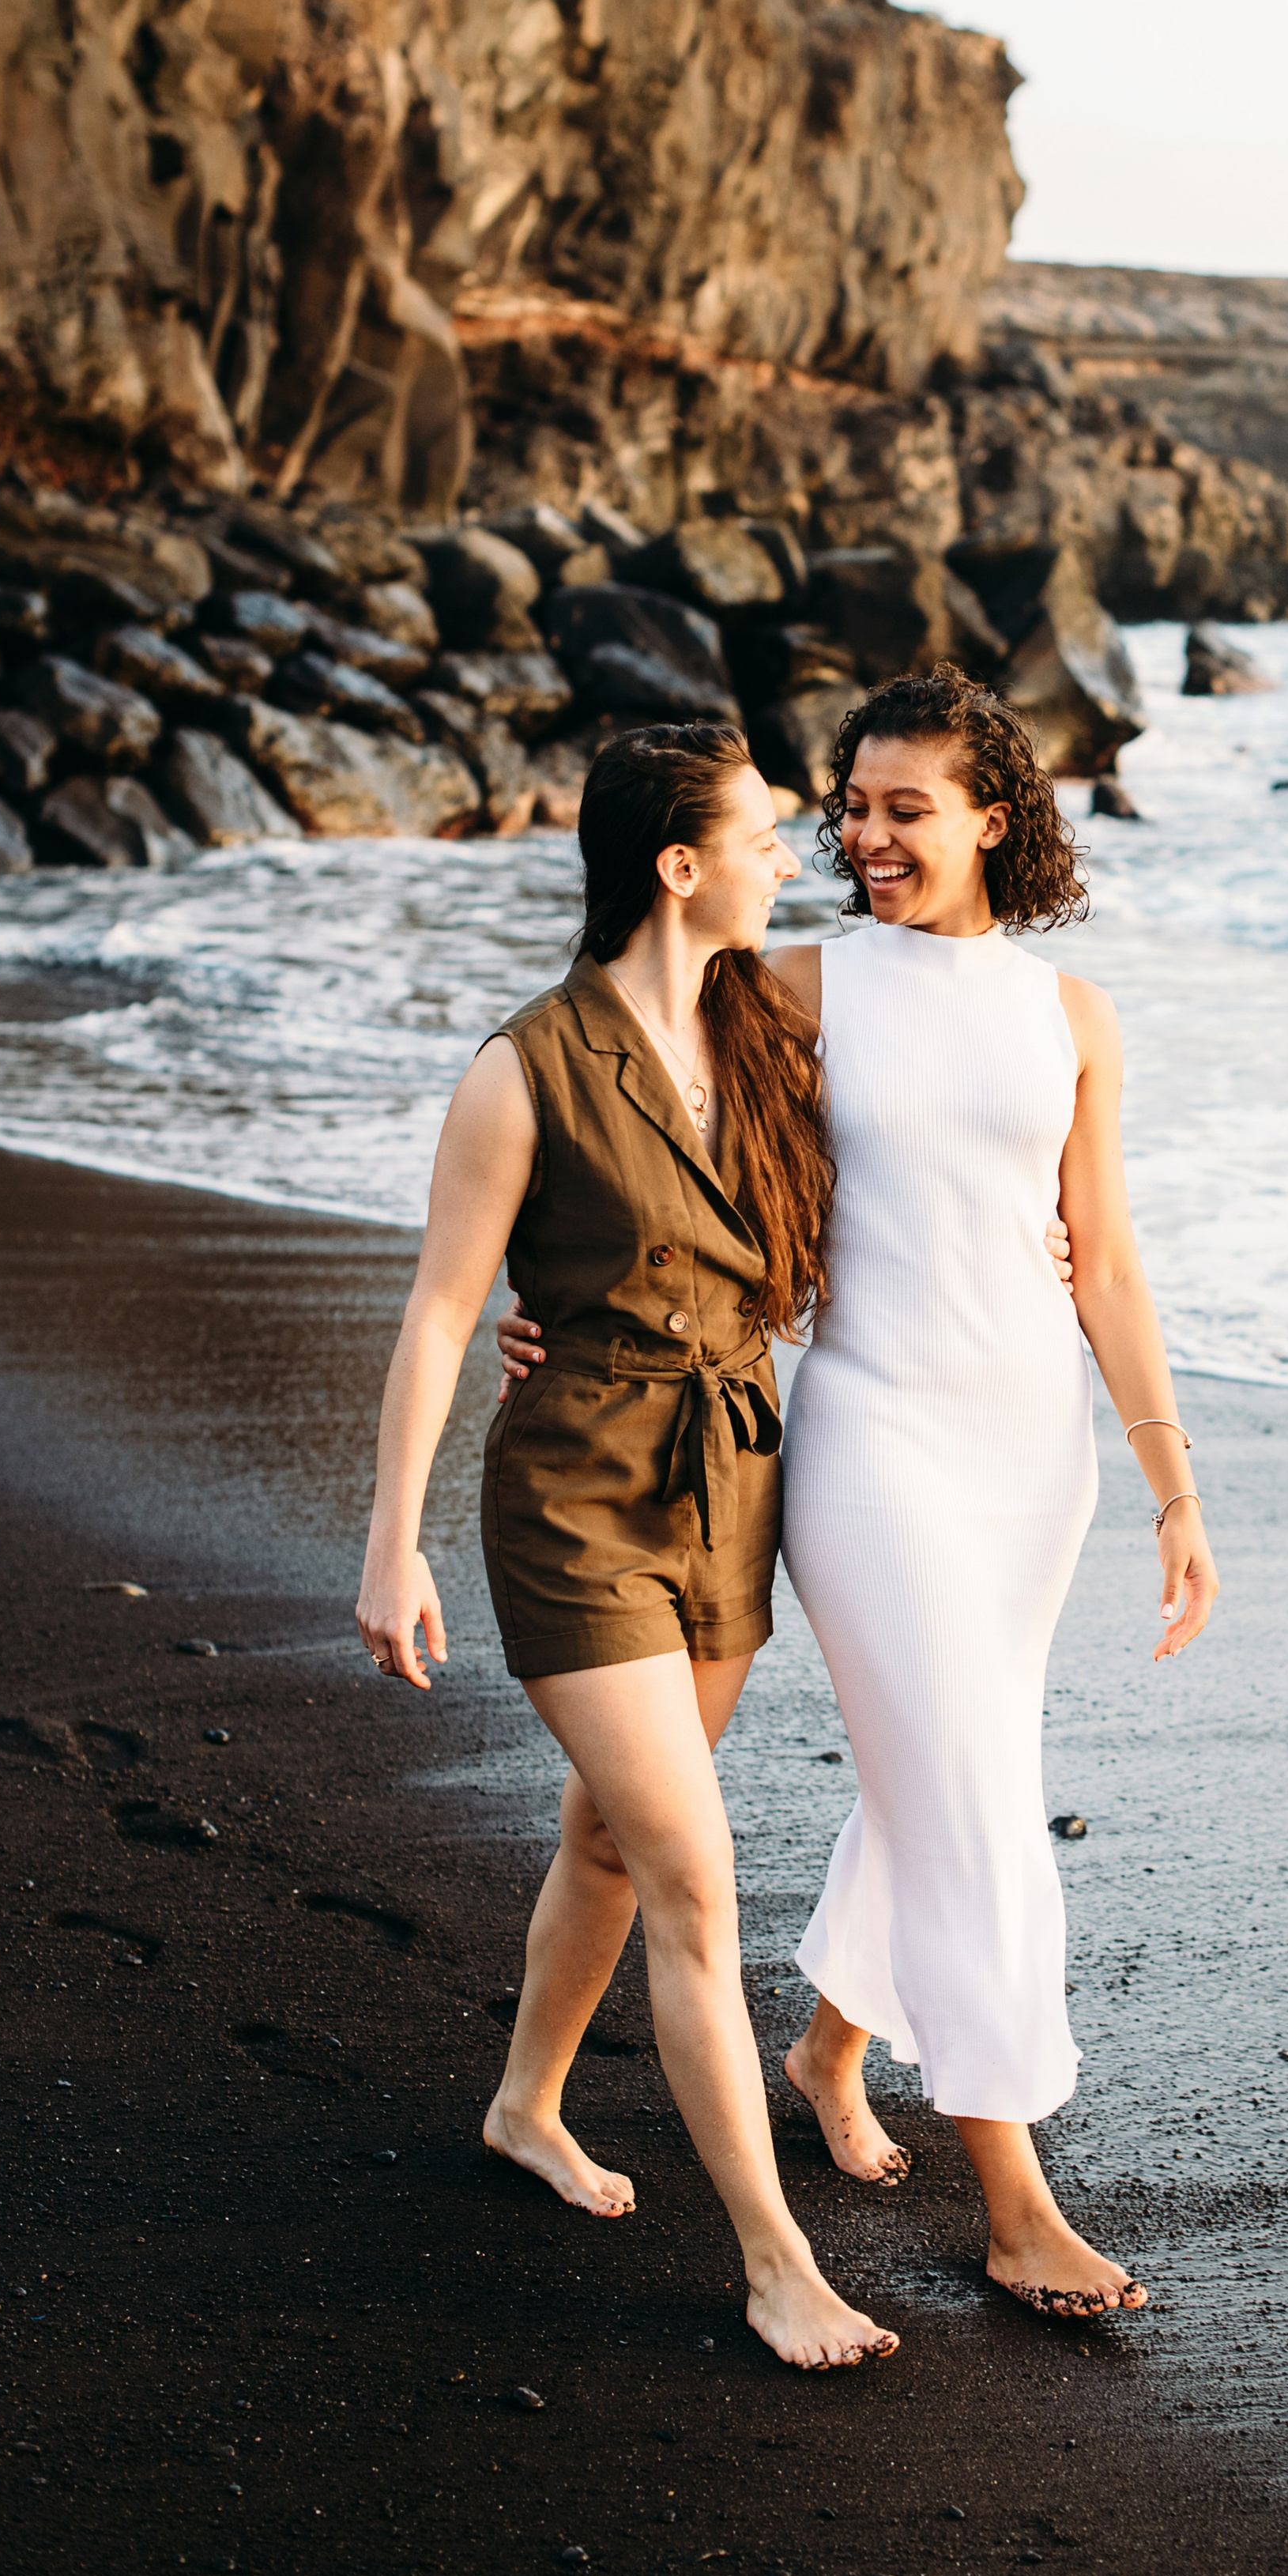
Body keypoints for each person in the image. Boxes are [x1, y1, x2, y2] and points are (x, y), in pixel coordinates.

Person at [503, 668, 1220, 2321]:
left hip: (1028, 1450)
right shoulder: (794, 985)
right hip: (872, 1439)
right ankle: (1017, 2198)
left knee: (944, 1759)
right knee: (970, 1789)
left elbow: (1100, 1258)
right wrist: (532, 1293)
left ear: (992, 816)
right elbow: (596, 1088)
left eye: (908, 806)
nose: (867, 833)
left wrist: (1171, 1482)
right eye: (853, 803)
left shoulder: (1070, 1014)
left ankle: (832, 2046)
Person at [355, 722, 898, 2370]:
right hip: (575, 1501)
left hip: (734, 1476)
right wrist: (392, 1541)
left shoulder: (773, 1018)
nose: (792, 859)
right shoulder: (520, 1068)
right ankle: (773, 2261)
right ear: (678, 866)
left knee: (607, 1836)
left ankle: (525, 2100)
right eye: (762, 836)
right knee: (688, 1868)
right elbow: (446, 1309)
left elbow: (951, 1047)